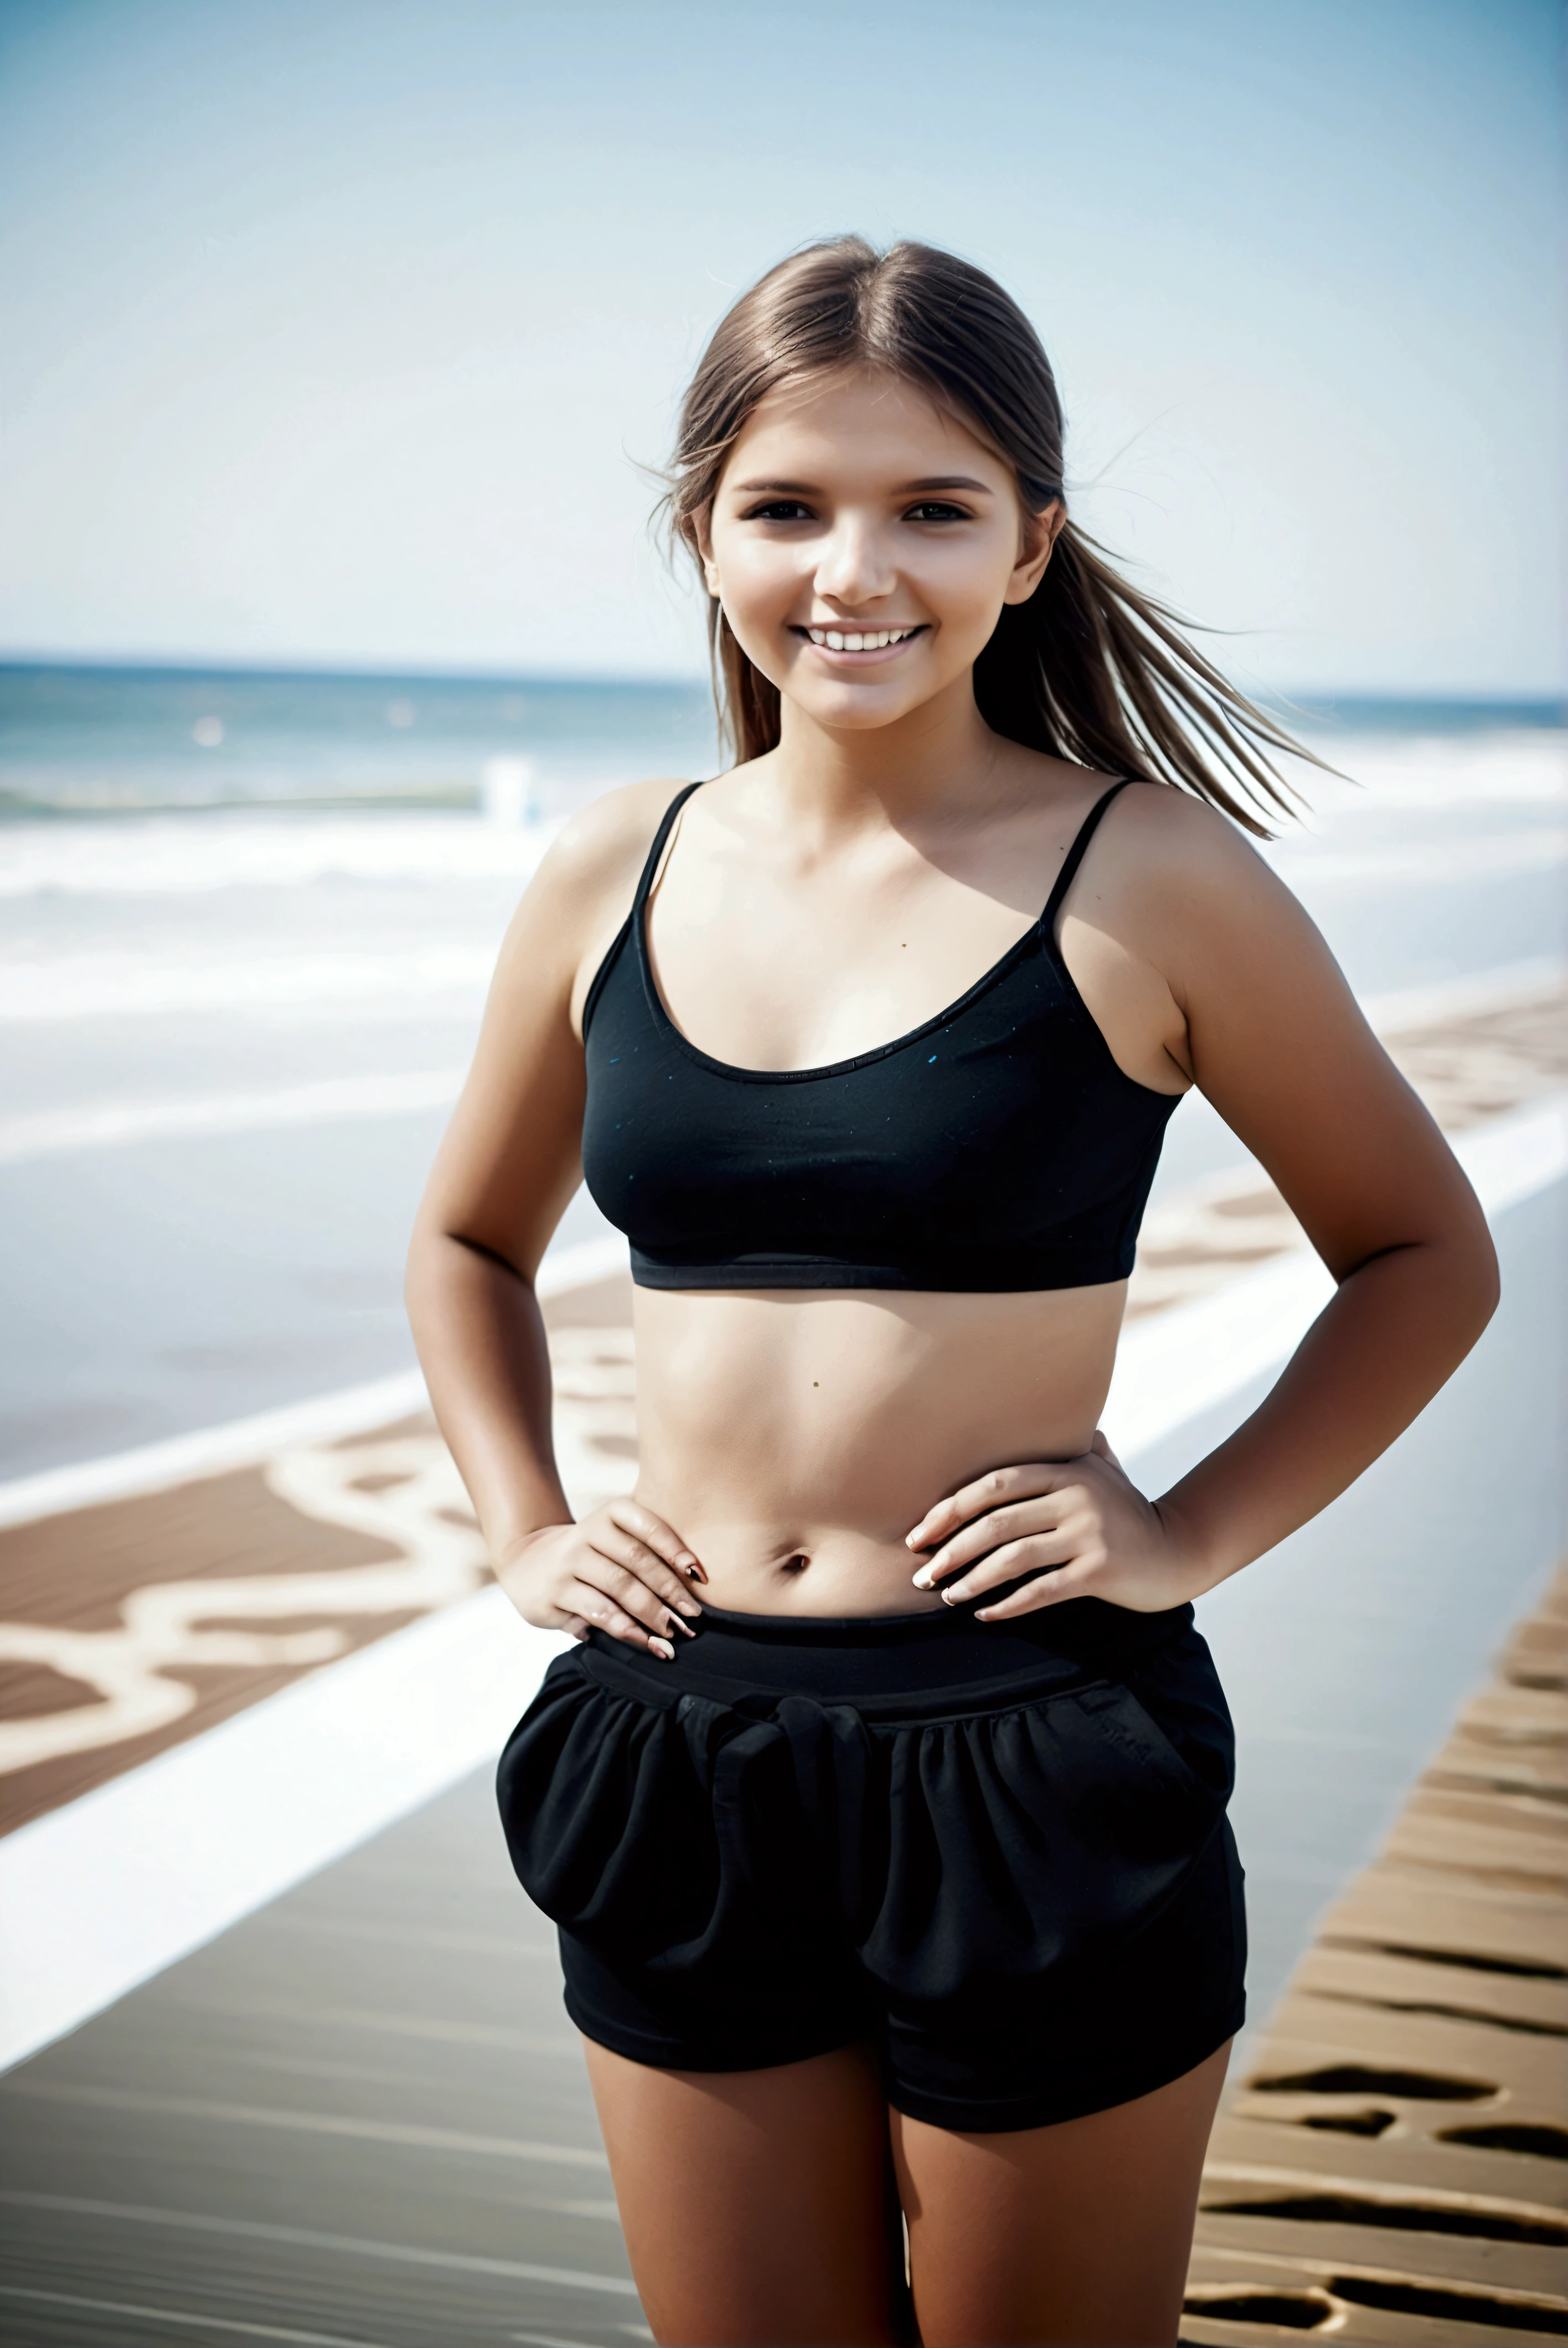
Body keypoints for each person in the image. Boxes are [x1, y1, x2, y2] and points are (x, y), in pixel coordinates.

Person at [405, 238, 1498, 2348]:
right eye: (789, 505)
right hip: (675, 1742)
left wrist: (1186, 1533)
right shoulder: (612, 864)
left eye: (935, 505)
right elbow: (467, 1244)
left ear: (1032, 544)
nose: (856, 567)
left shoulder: (1152, 873)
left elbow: (1421, 1255)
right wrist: (523, 1526)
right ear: (701, 526)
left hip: (1029, 1753)